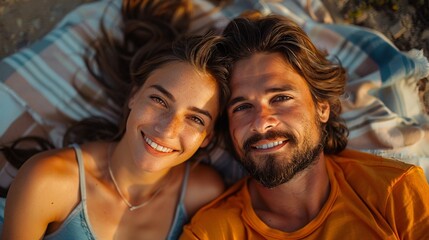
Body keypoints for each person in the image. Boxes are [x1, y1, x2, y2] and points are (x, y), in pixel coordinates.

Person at [180, 13, 429, 239]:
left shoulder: (394, 192)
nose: (262, 122)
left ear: (321, 107)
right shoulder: (212, 233)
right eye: (242, 107)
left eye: (280, 98)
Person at [0, 0, 231, 239]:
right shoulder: (48, 182)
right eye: (159, 100)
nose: (167, 129)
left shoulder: (203, 192)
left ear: (207, 137)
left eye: (195, 119)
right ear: (134, 95)